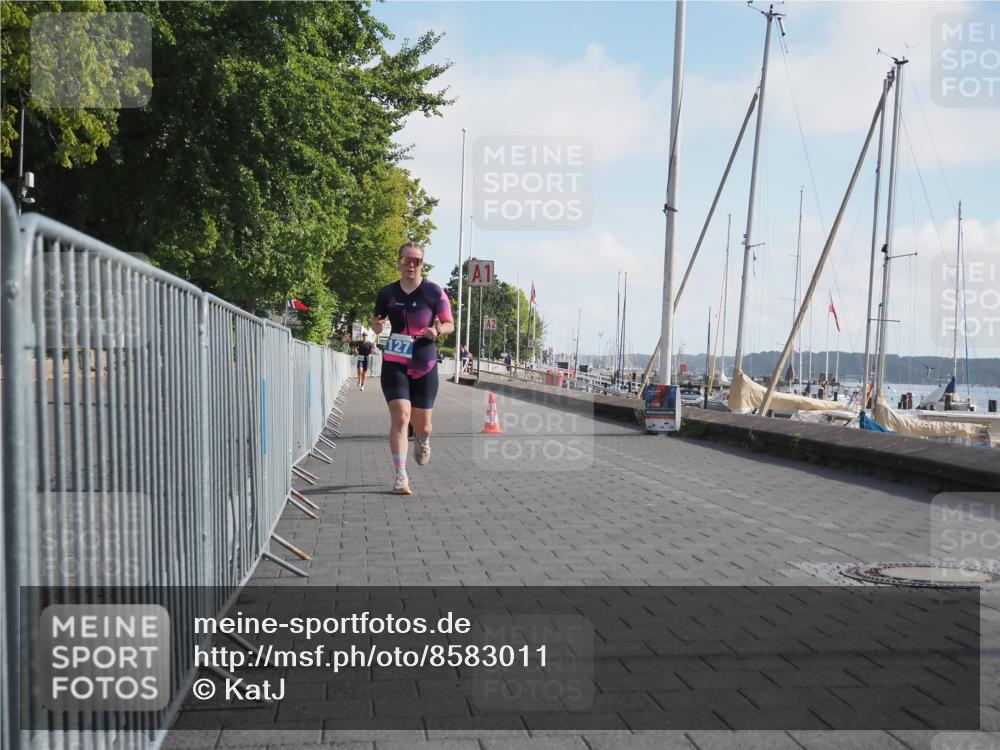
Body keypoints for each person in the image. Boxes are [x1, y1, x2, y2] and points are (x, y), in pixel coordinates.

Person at [372, 242, 455, 495]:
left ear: (422, 264)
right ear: (399, 261)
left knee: (424, 425)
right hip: (396, 360)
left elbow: (450, 323)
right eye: (407, 260)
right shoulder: (387, 293)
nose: (411, 265)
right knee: (400, 417)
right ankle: (400, 475)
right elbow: (377, 320)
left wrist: (437, 330)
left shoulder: (433, 291)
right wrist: (375, 326)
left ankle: (423, 439)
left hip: (424, 360)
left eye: (416, 261)